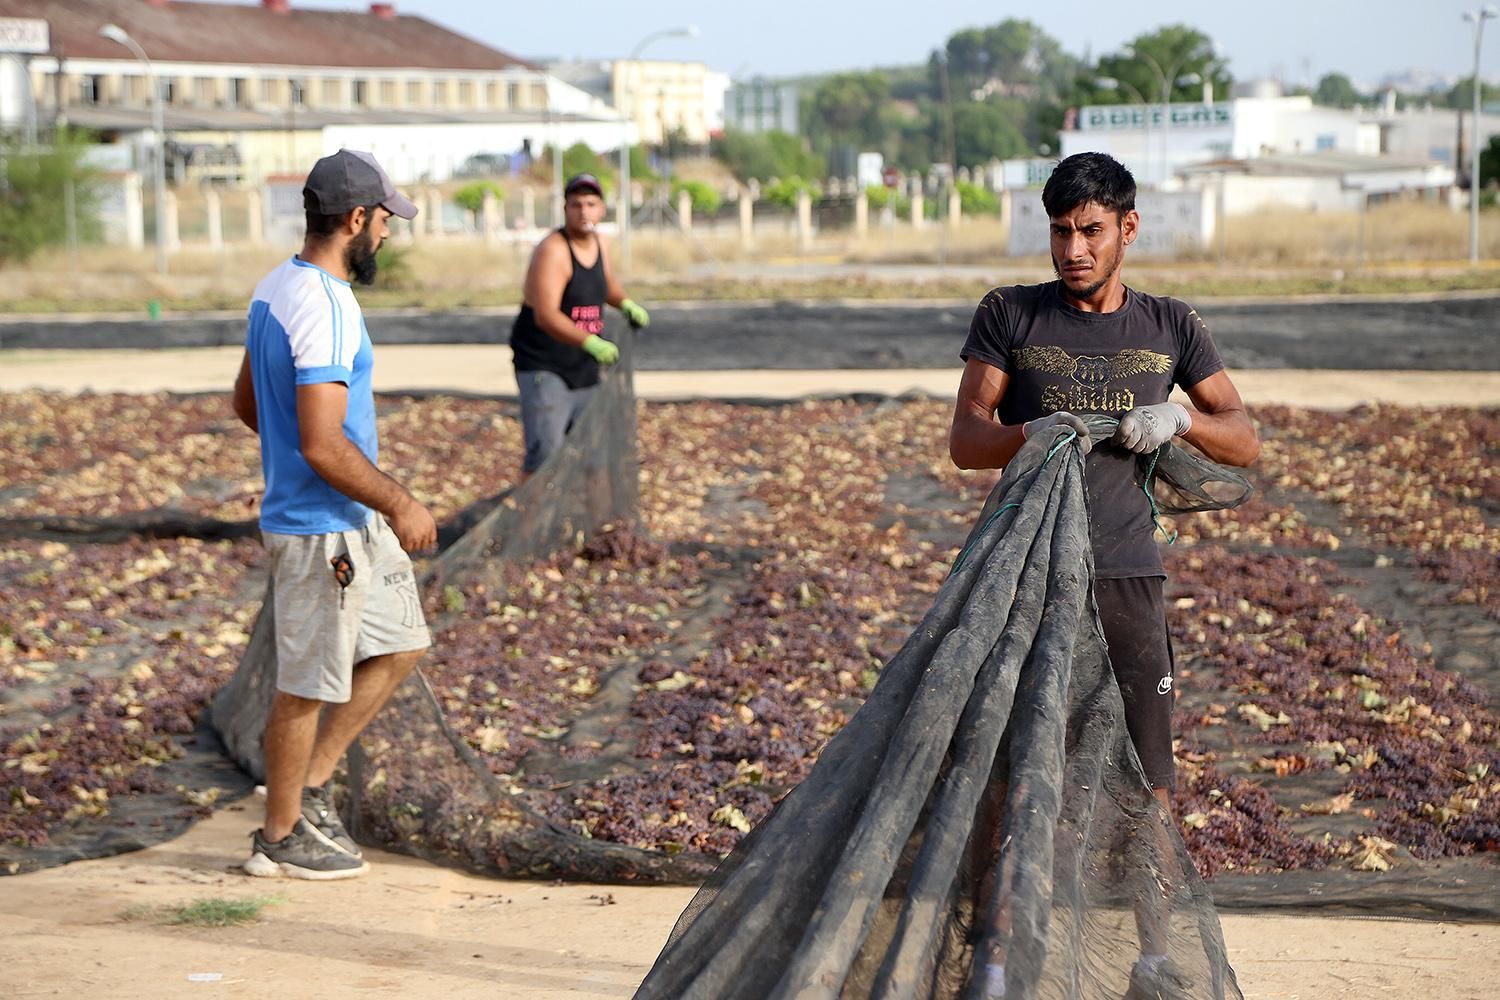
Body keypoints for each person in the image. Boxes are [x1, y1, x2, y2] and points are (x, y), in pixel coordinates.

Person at [947, 151, 1259, 999]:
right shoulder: (1010, 315)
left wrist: (1182, 417)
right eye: (1059, 230)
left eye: (1090, 230)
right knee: (1007, 771)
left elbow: (1245, 437)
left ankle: (1155, 958)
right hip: (1027, 575)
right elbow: (967, 440)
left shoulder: (1169, 325)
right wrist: (1030, 431)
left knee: (1148, 779)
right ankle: (996, 959)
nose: (1073, 249)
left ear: (1127, 228)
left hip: (1126, 575)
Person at [231, 149, 437, 880]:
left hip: (349, 520)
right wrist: (400, 499)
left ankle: (310, 788)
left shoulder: (276, 288)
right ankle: (279, 836)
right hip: (324, 529)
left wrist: (304, 454)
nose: (387, 233)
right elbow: (322, 442)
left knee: (403, 641)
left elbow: (248, 402)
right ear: (354, 219)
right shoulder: (323, 306)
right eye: (384, 220)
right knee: (308, 683)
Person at [509, 172, 651, 479]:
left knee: (590, 449)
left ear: (601, 209)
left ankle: (577, 518)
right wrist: (591, 342)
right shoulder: (553, 250)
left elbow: (605, 283)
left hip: (583, 367)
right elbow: (545, 315)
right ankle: (532, 521)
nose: (584, 211)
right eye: (576, 205)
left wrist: (625, 303)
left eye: (590, 204)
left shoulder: (601, 242)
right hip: (545, 367)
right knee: (546, 455)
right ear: (565, 209)